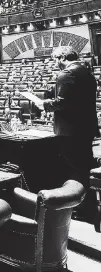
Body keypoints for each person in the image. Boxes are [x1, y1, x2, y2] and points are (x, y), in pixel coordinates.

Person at [36, 46, 99, 189]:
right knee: (84, 169)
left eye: (55, 60)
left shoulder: (67, 73)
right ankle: (87, 206)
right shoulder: (87, 73)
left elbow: (63, 102)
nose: (55, 63)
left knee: (73, 172)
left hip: (70, 132)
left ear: (62, 58)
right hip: (86, 129)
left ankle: (75, 203)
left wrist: (44, 104)